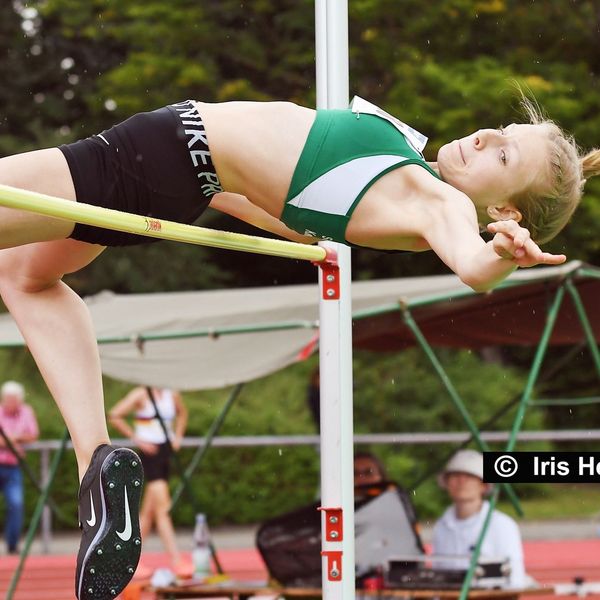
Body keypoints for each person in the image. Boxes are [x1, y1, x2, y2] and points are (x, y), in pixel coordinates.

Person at [0, 94, 595, 598]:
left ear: (504, 209)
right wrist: (203, 192)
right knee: (25, 277)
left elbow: (471, 264)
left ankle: (96, 466)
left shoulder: (441, 205)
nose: (488, 136)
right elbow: (284, 201)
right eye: (503, 129)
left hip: (167, 149)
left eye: (504, 154)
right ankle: (96, 469)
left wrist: (500, 254)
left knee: (19, 265)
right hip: (186, 177)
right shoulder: (411, 174)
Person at [109, 387, 188, 575]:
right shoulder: (140, 394)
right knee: (164, 508)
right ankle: (176, 560)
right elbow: (114, 415)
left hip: (164, 453)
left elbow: (183, 413)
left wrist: (178, 437)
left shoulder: (172, 393)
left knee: (148, 514)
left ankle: (128, 562)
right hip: (149, 454)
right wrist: (137, 439)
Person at [432, 449, 526, 588]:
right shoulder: (441, 526)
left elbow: (515, 580)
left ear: (483, 485)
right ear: (446, 483)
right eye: (455, 476)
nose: (461, 482)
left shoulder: (501, 525)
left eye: (469, 476)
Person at [0, 380, 39, 554]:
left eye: (13, 399)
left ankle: (12, 544)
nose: (10, 403)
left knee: (16, 504)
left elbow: (32, 435)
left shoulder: (26, 412)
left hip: (13, 466)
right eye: (8, 399)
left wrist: (12, 439)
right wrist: (12, 441)